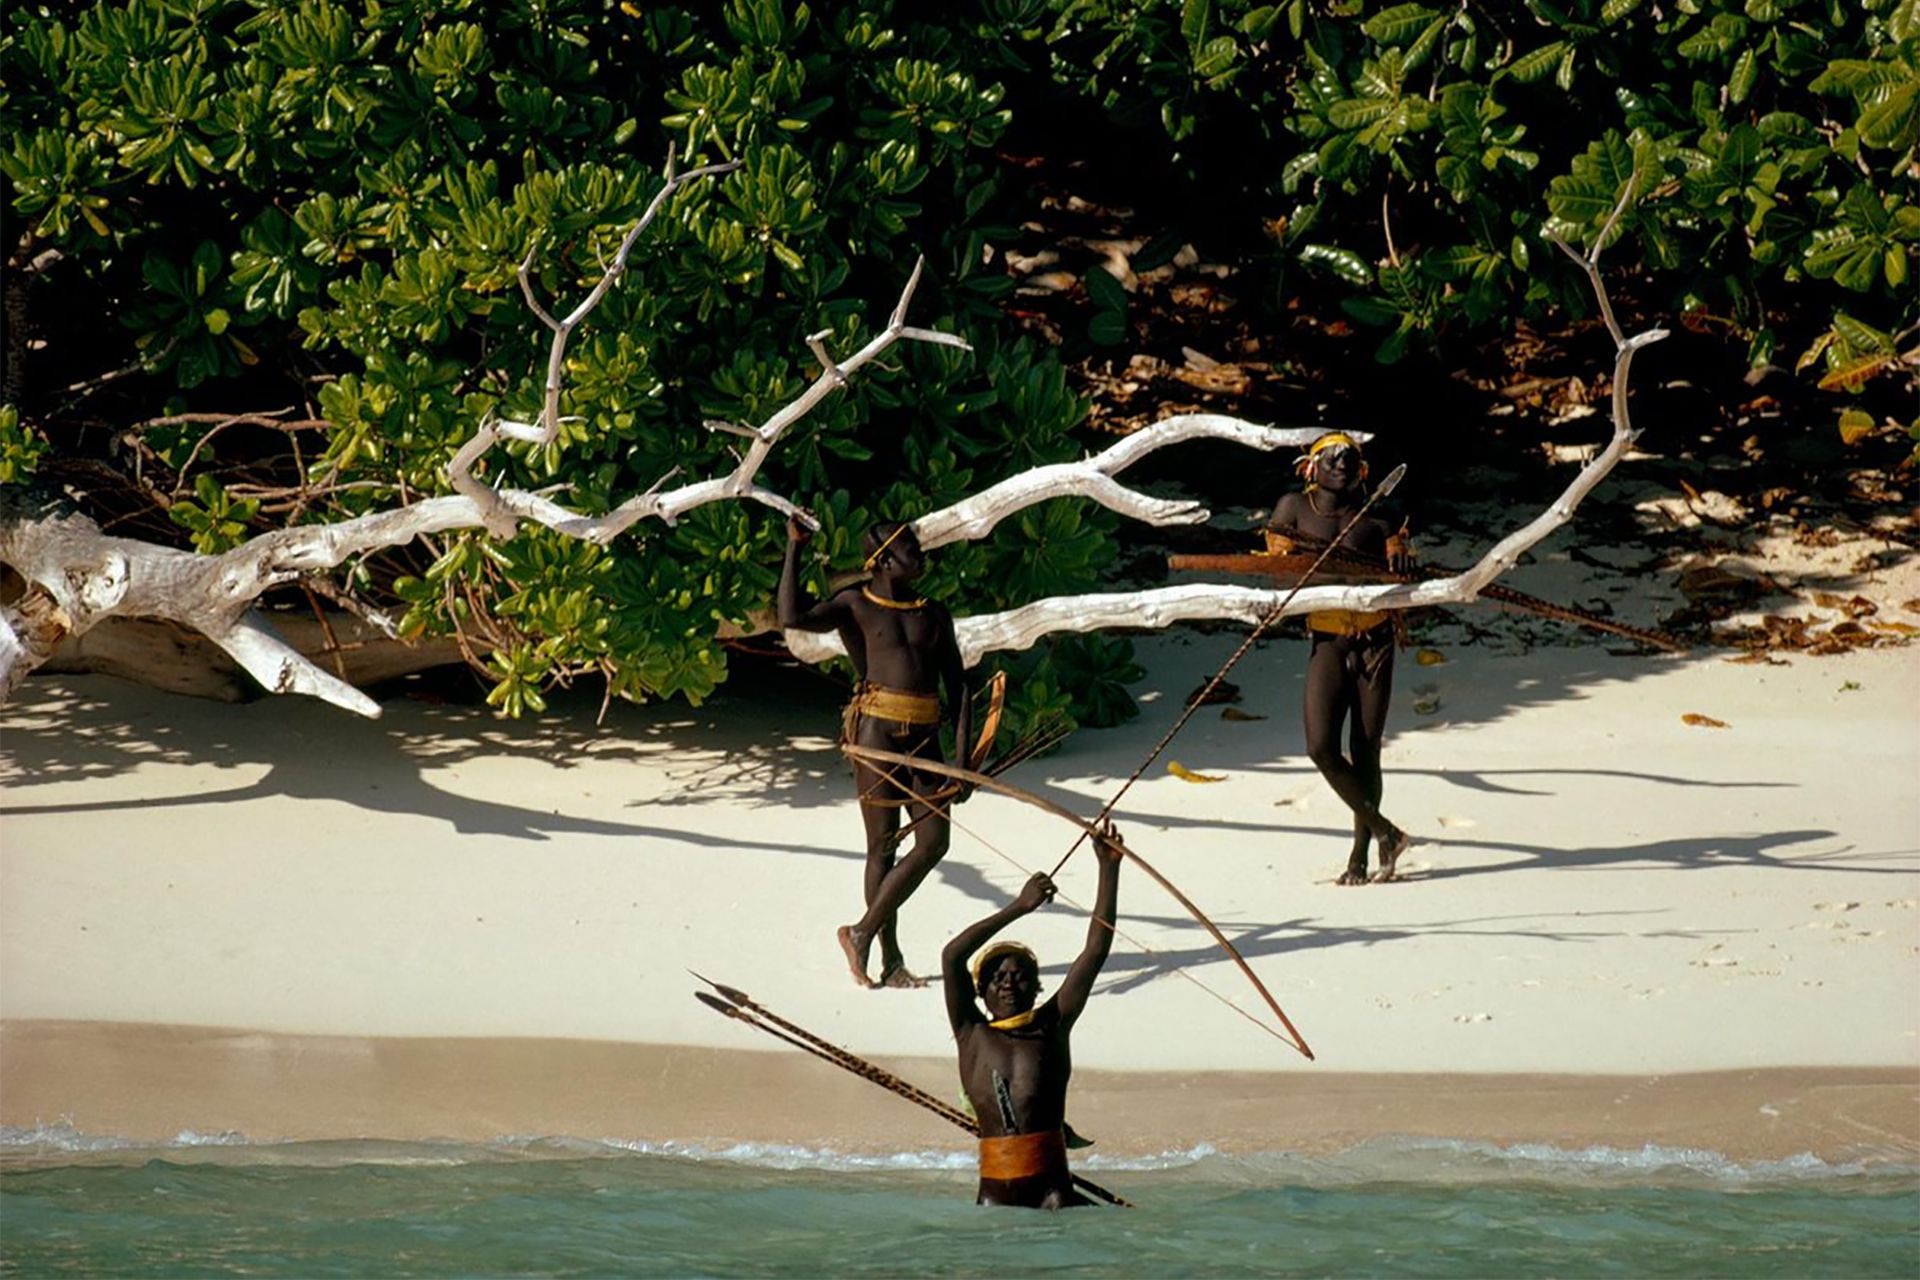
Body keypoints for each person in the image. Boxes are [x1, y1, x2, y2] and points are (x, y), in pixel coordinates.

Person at [780, 516, 972, 988]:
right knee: (882, 848)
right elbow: (792, 616)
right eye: (910, 548)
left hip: (925, 736)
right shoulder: (855, 604)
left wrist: (964, 762)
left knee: (933, 843)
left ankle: (861, 932)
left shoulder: (933, 614)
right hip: (876, 735)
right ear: (884, 560)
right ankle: (888, 958)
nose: (920, 553)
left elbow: (960, 689)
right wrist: (794, 549)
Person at [941, 825, 1124, 1210]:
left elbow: (1094, 952)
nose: (1008, 983)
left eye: (1019, 974)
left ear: (1038, 987)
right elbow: (952, 956)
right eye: (996, 977)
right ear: (980, 991)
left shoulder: (1053, 1024)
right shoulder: (970, 1032)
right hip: (992, 1196)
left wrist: (1109, 869)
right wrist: (1019, 906)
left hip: (1054, 1194)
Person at [1265, 432, 1415, 885]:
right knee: (1320, 748)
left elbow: (1402, 561)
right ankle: (1387, 831)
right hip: (1327, 638)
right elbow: (1276, 569)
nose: (1341, 464)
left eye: (1350, 458)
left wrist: (1402, 554)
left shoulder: (1381, 515)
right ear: (1310, 467)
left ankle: (1361, 855)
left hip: (1375, 639)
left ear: (1363, 471)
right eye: (1331, 458)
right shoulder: (1292, 508)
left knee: (1365, 750)